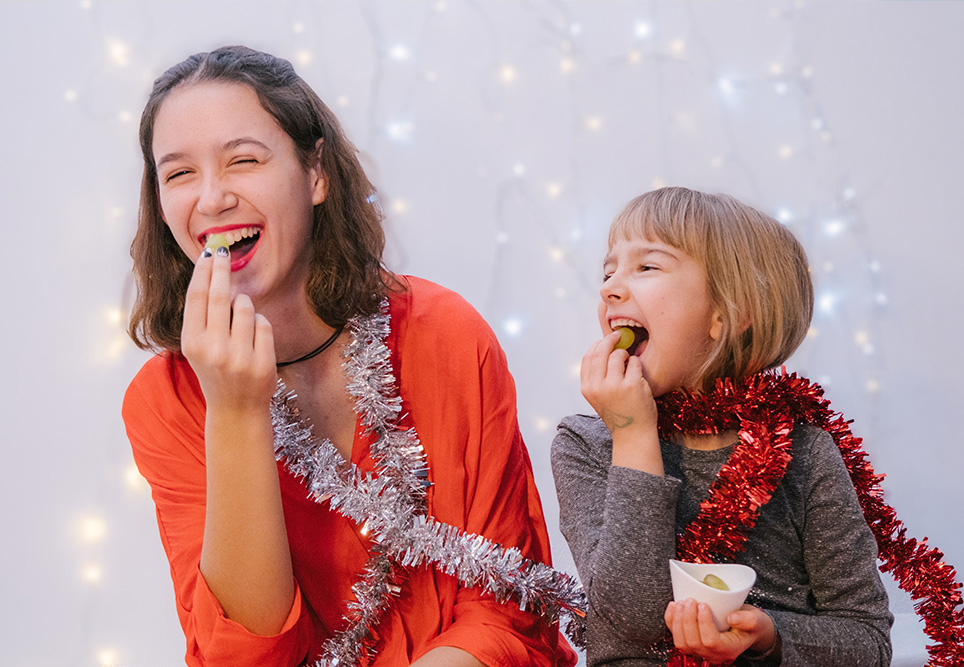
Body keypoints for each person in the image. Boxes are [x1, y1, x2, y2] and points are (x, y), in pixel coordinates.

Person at [122, 45, 576, 667]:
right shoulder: (166, 400)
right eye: (177, 174)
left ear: (315, 175)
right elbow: (248, 655)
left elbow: (508, 615)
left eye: (244, 160)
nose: (211, 198)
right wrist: (234, 413)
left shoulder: (445, 335)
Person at [550, 187, 894, 665]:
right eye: (608, 272)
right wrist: (632, 433)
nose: (610, 287)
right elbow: (632, 617)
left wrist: (769, 636)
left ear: (729, 313)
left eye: (646, 267)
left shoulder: (803, 451)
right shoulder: (586, 444)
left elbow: (867, 640)